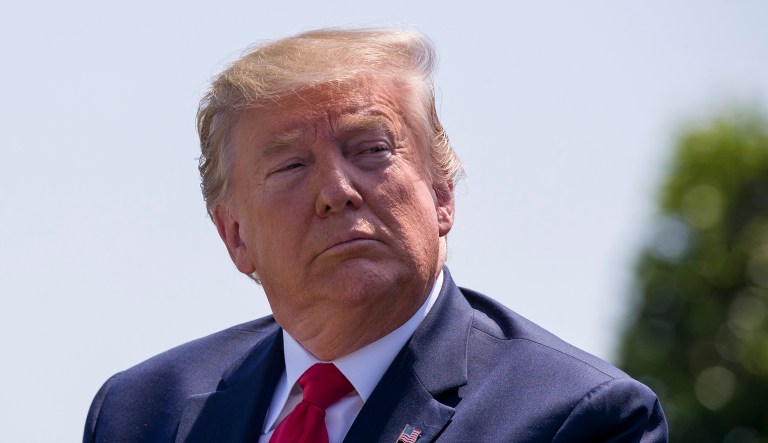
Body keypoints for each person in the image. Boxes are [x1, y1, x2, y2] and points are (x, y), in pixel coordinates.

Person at [83, 28, 668, 442]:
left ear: (442, 194)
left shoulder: (577, 417)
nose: (336, 190)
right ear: (234, 234)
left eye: (371, 149)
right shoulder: (141, 412)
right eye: (291, 166)